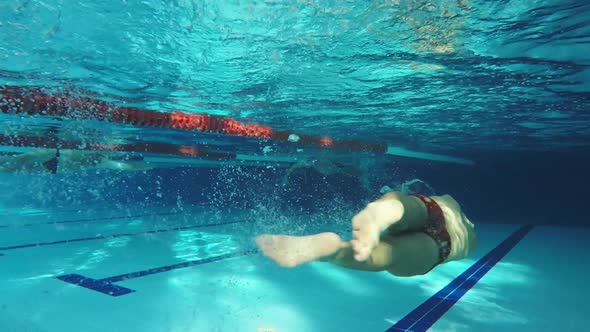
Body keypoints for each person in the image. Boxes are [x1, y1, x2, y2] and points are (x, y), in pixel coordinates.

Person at [256, 191, 477, 277]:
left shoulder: (448, 200)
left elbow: (413, 201)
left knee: (408, 206)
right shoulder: (469, 239)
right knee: (391, 254)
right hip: (448, 246)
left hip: (434, 206)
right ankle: (336, 252)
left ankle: (384, 211)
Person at [0, 149, 152, 174]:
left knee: (16, 163)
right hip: (55, 162)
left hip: (54, 161)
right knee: (17, 163)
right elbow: (124, 166)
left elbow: (124, 166)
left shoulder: (102, 160)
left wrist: (149, 166)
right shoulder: (101, 159)